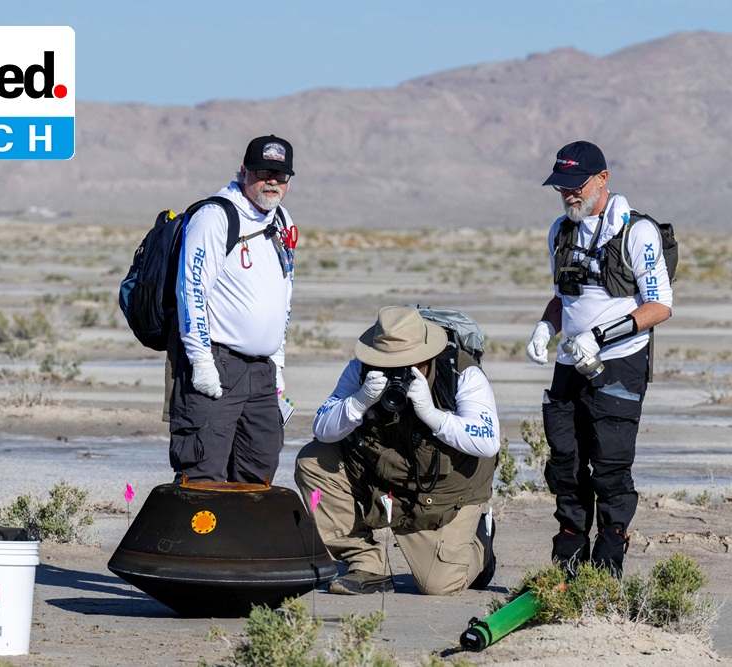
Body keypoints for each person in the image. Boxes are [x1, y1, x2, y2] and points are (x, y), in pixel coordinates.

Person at [525, 140, 673, 578]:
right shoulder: (561, 231)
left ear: (602, 179)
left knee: (609, 465)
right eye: (561, 188)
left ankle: (608, 563)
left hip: (620, 364)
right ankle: (568, 555)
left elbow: (659, 306)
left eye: (576, 186)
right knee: (565, 463)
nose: (568, 195)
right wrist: (545, 328)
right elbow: (562, 298)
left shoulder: (636, 232)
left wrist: (600, 336)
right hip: (571, 363)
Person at [295, 306, 500, 595]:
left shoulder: (461, 374)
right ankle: (366, 564)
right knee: (313, 459)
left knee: (439, 586)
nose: (396, 372)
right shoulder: (361, 369)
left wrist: (433, 415)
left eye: (408, 363)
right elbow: (323, 429)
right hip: (383, 477)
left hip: (444, 493)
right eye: (386, 363)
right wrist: (358, 401)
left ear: (429, 355)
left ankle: (481, 540)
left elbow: (489, 440)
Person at [169, 135, 298, 483]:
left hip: (263, 372)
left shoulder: (281, 219)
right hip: (218, 362)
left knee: (259, 472)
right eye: (262, 172)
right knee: (203, 473)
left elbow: (282, 293)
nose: (272, 181)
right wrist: (201, 363)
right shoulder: (215, 216)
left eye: (281, 175)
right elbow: (191, 290)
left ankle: (243, 540)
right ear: (243, 171)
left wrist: (278, 364)